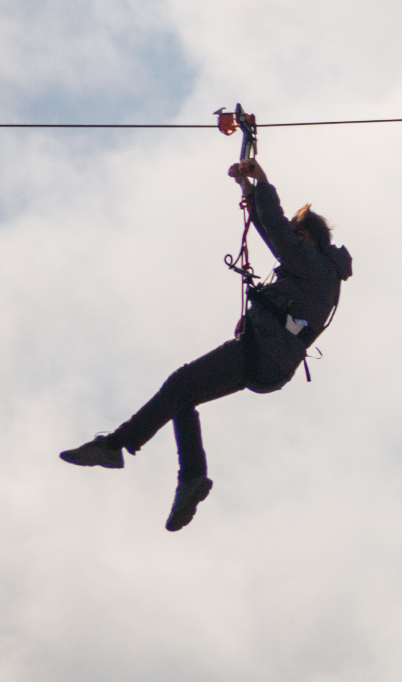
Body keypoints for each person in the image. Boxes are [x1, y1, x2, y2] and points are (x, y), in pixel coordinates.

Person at [58, 156, 352, 531]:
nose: (293, 241)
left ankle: (118, 447)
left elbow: (280, 238)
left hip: (263, 353)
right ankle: (187, 477)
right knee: (183, 393)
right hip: (268, 359)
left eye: (298, 235)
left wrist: (262, 183)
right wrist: (249, 192)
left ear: (309, 238)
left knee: (181, 383)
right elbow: (274, 233)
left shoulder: (316, 267)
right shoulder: (317, 271)